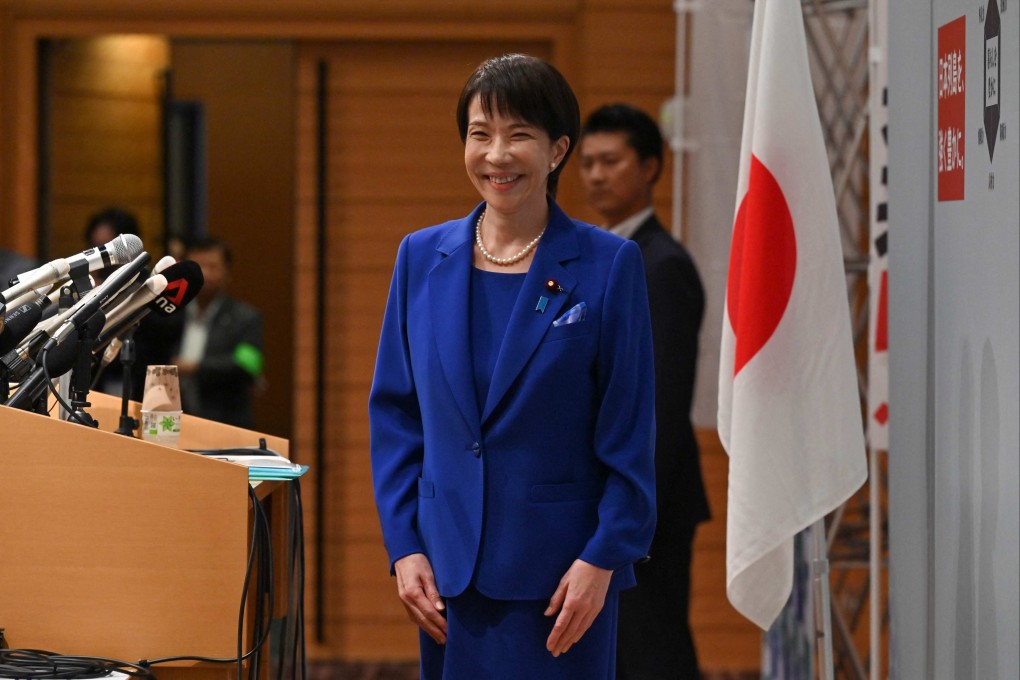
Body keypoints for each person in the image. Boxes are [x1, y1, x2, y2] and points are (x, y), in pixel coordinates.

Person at [368, 54, 657, 679]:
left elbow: (630, 434)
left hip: (562, 583)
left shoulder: (608, 265)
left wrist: (602, 559)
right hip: (449, 577)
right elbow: (397, 413)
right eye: (480, 134)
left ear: (556, 151)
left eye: (518, 134)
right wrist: (404, 546)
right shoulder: (421, 257)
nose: (496, 154)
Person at [579, 103, 709, 680]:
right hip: (618, 497)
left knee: (652, 651)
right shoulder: (606, 257)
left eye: (611, 161)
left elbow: (660, 405)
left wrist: (628, 510)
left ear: (651, 167)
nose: (596, 176)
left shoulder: (661, 265)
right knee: (622, 652)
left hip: (644, 502)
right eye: (586, 163)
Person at [172, 236, 264, 429]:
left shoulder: (245, 317)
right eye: (198, 267)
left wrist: (193, 368)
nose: (205, 274)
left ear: (227, 272)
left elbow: (247, 365)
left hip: (225, 422)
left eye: (213, 267)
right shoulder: (170, 314)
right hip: (173, 421)